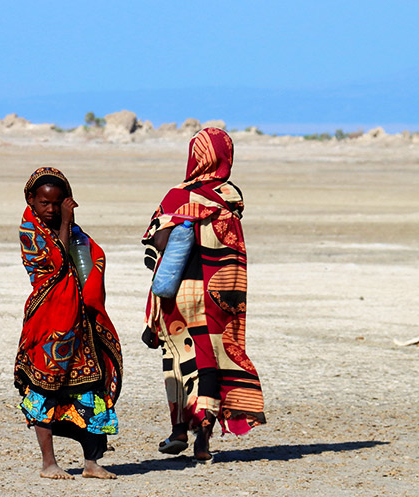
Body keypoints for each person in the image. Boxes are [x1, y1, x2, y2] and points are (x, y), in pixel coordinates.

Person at [141, 128, 266, 462]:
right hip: (217, 295)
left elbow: (156, 247)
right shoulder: (230, 200)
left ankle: (180, 429)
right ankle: (203, 440)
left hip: (177, 295)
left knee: (178, 359)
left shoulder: (176, 197)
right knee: (210, 360)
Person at [16, 167, 123, 479]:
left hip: (79, 321)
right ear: (31, 200)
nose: (49, 209)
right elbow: (60, 262)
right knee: (45, 387)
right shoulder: (30, 231)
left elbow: (89, 259)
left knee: (90, 385)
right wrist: (65, 222)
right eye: (44, 203)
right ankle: (49, 464)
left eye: (57, 202)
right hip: (49, 321)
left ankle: (92, 462)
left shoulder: (72, 231)